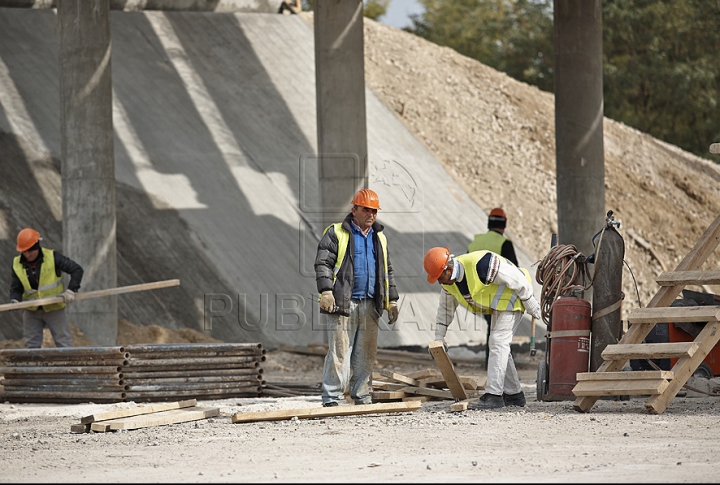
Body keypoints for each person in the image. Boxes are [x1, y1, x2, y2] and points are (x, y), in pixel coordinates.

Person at [423, 246, 542, 409]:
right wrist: (439, 337)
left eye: (439, 276)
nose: (439, 281)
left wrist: (529, 300)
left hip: (515, 296)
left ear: (449, 269)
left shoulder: (482, 264)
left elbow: (516, 277)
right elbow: (445, 311)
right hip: (498, 305)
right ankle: (514, 395)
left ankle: (493, 395)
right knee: (499, 346)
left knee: (498, 342)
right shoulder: (448, 284)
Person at [314, 188, 400, 407]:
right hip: (343, 303)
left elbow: (386, 270)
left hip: (371, 303)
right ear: (354, 209)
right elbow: (323, 263)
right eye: (366, 209)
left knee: (366, 354)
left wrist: (391, 300)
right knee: (339, 352)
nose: (371, 214)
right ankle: (332, 398)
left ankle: (361, 395)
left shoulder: (379, 237)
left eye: (374, 210)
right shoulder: (336, 233)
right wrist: (326, 291)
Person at [10, 228, 84, 349]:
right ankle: (34, 368)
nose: (27, 254)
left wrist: (71, 290)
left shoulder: (52, 257)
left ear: (37, 246)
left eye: (30, 251)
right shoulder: (16, 263)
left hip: (54, 307)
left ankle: (70, 368)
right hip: (31, 310)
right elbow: (16, 287)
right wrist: (15, 300)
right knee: (31, 346)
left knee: (64, 343)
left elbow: (76, 269)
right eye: (24, 251)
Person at [467, 207, 518, 370]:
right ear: (504, 225)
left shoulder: (475, 243)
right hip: (496, 295)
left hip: (475, 294)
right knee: (497, 331)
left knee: (492, 328)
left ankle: (491, 362)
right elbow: (514, 271)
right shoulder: (504, 243)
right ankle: (493, 364)